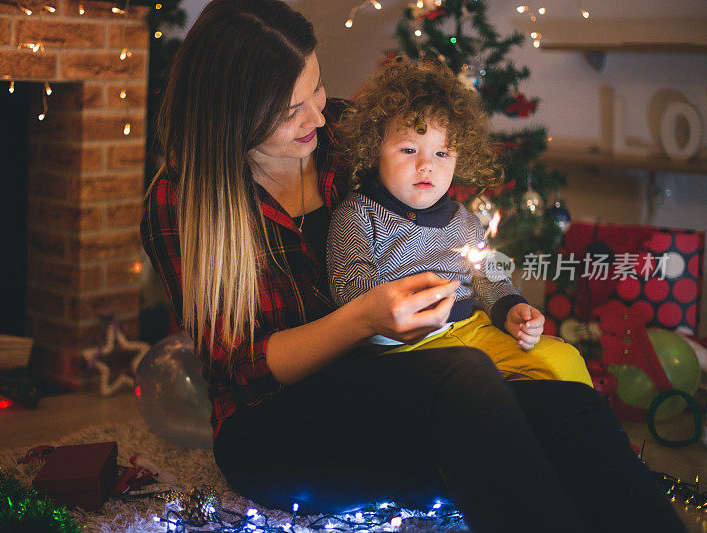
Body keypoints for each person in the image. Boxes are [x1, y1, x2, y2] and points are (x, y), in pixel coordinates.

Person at [141, 0, 687, 531]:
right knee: (465, 380)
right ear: (232, 120)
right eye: (289, 112)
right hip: (275, 428)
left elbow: (437, 199)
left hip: (385, 380)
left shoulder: (343, 135)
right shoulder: (184, 200)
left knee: (571, 407)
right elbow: (242, 366)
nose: (318, 114)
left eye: (317, 87)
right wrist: (364, 317)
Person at [327, 58, 592, 387]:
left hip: (473, 330)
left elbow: (489, 279)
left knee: (563, 361)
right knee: (473, 387)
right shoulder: (357, 214)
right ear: (374, 150)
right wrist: (397, 309)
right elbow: (349, 290)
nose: (426, 165)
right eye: (409, 150)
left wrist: (512, 310)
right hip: (402, 350)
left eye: (441, 154)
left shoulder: (464, 220)